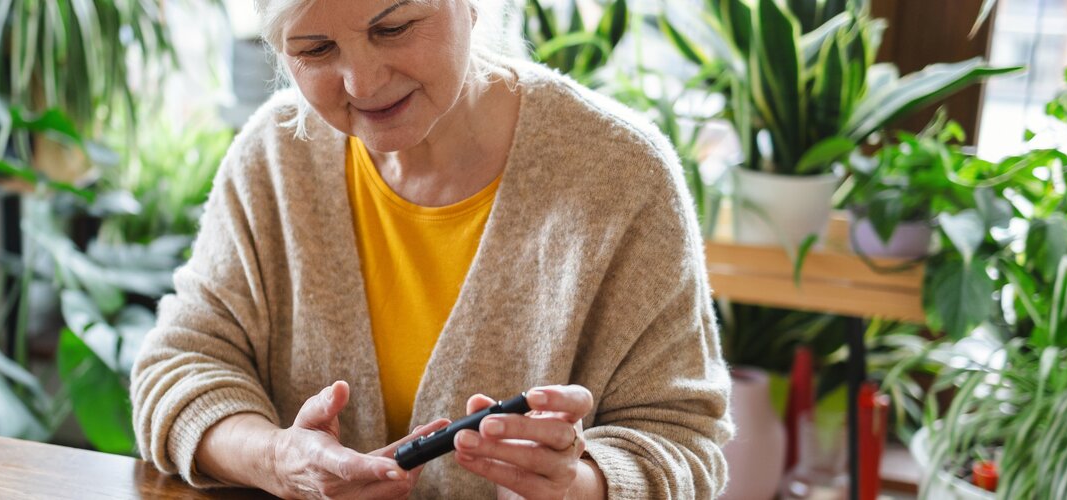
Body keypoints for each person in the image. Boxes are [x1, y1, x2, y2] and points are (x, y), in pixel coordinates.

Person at [130, 0, 733, 497]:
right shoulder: (274, 158)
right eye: (314, 50)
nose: (362, 83)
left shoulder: (621, 175)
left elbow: (683, 444)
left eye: (393, 27)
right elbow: (180, 368)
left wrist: (582, 484)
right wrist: (277, 459)